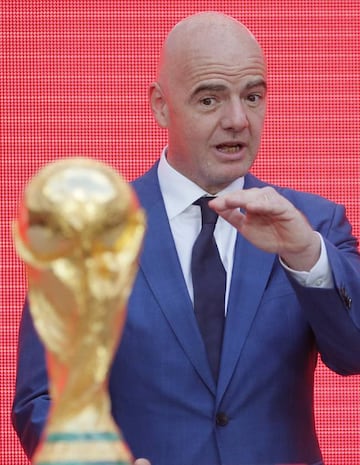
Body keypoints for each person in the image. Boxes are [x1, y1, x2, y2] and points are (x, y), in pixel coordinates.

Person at [12, 11, 360, 465]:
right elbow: (42, 397)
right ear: (160, 105)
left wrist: (305, 255)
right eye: (210, 100)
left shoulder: (313, 223)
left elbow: (352, 353)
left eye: (252, 96)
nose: (238, 119)